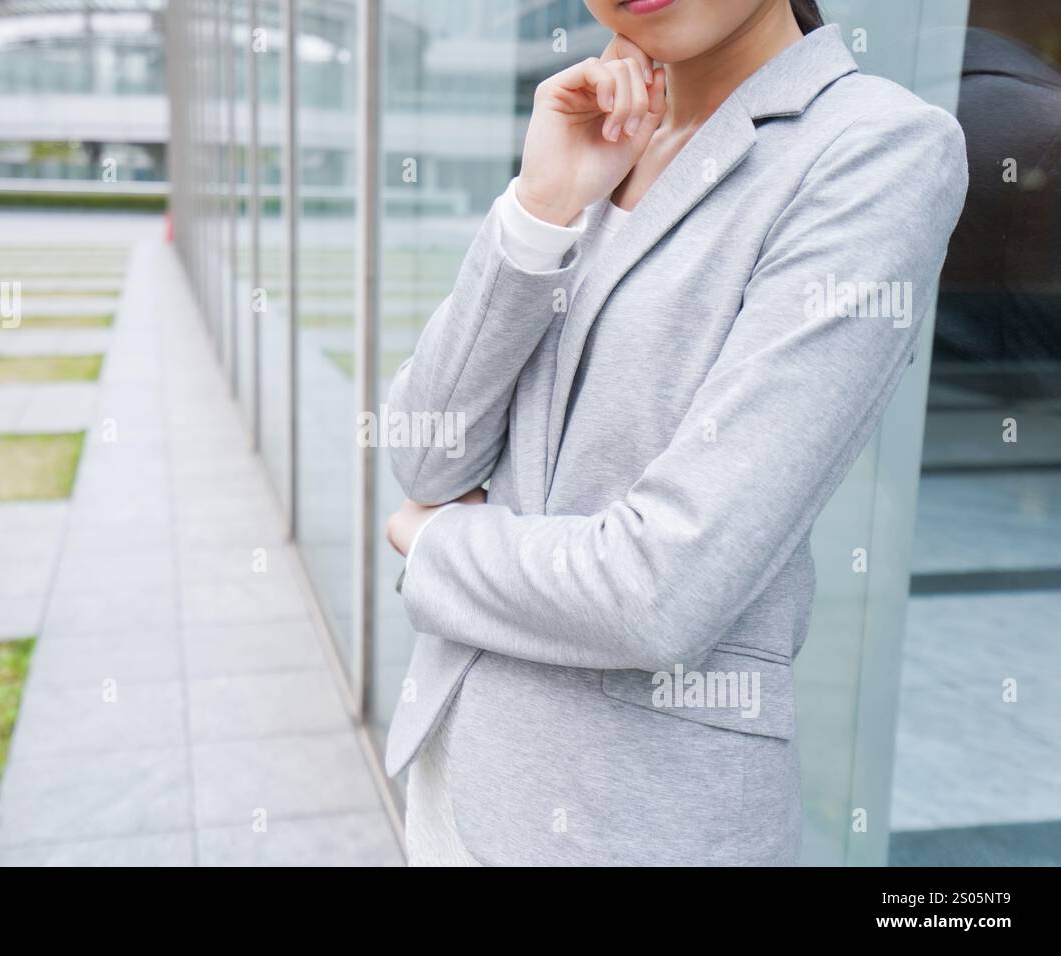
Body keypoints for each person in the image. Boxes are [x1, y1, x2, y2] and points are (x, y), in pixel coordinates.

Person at [382, 0, 969, 866]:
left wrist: (435, 541)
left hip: (634, 822)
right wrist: (542, 208)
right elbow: (427, 451)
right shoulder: (598, 128)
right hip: (452, 771)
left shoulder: (874, 150)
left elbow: (662, 587)